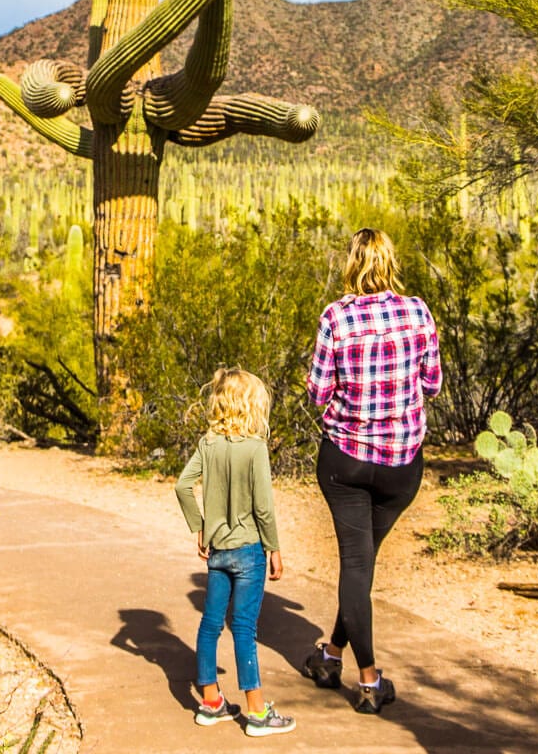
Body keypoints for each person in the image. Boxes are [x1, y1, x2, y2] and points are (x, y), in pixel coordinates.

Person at [303, 228, 442, 715]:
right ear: (389, 261)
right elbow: (433, 382)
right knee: (360, 567)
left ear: (352, 263)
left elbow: (317, 393)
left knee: (356, 567)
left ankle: (366, 679)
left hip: (345, 459)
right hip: (402, 462)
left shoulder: (335, 317)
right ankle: (333, 658)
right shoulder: (418, 311)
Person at [175, 368, 296, 738]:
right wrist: (274, 548)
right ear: (252, 405)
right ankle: (257, 713)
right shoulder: (255, 447)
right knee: (244, 627)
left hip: (218, 552)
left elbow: (182, 486)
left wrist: (199, 527)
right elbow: (263, 508)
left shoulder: (207, 444)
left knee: (210, 625)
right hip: (249, 551)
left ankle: (210, 702)